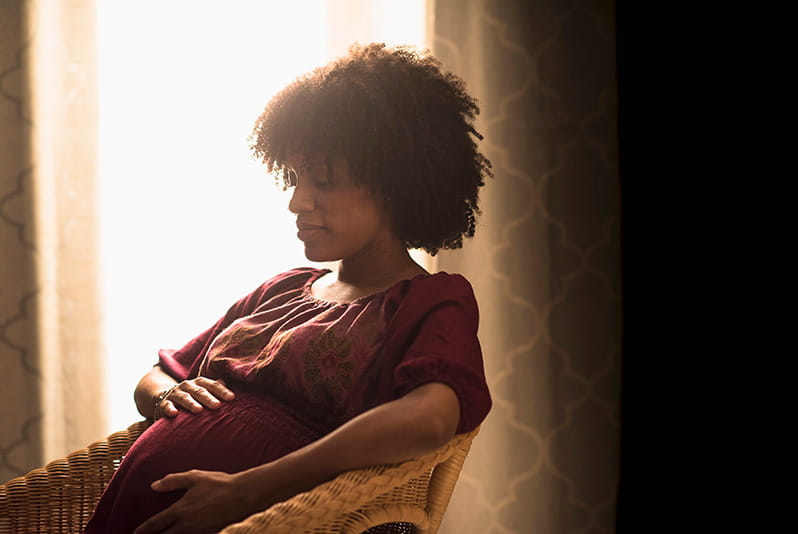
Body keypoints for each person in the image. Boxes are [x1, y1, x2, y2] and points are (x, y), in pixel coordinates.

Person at [83, 42, 493, 534]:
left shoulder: (428, 300)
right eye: (296, 179)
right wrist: (169, 396)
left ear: (394, 184)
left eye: (323, 181)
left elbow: (430, 418)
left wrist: (250, 490)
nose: (297, 202)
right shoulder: (282, 289)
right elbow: (158, 375)